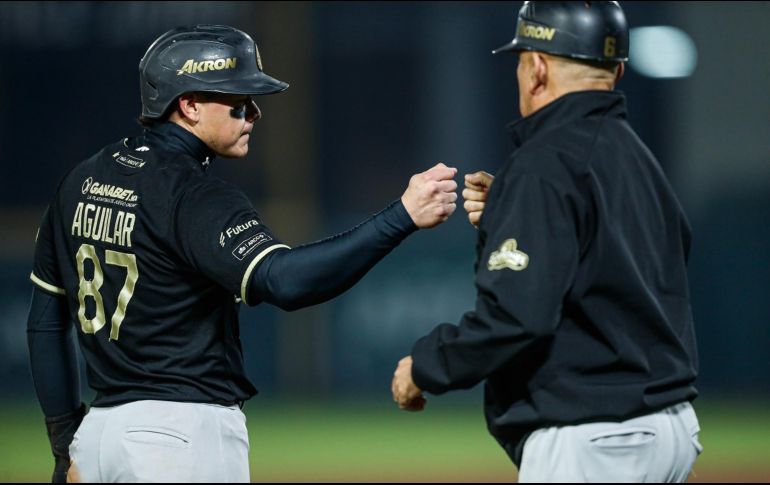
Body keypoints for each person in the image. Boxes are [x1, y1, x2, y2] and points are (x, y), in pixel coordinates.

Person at [27, 25, 458, 483]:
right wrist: (402, 216)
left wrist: (64, 444)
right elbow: (286, 282)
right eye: (237, 102)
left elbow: (45, 321)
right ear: (188, 105)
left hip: (97, 438)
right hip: (180, 438)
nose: (252, 113)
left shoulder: (81, 180)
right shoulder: (194, 194)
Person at [391, 2, 702, 482]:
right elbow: (621, 264)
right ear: (616, 70)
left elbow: (517, 316)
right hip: (669, 428)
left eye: (520, 60)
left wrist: (427, 365)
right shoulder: (638, 161)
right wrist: (513, 215)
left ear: (536, 68)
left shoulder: (545, 163)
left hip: (595, 438)